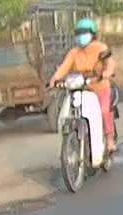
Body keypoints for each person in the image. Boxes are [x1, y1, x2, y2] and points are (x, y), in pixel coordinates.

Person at [49, 18, 118, 153]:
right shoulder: (74, 52)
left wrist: (107, 72)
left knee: (104, 111)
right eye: (78, 33)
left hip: (100, 87)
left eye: (84, 32)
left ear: (93, 34)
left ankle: (110, 140)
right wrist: (54, 79)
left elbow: (109, 63)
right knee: (71, 111)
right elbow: (64, 68)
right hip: (81, 89)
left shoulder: (101, 48)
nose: (81, 36)